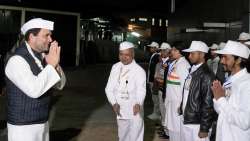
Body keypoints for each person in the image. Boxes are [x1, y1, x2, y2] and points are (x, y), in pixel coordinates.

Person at [5, 18, 66, 141]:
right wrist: (51, 66)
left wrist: (55, 65)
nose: (50, 39)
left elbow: (60, 85)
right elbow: (34, 90)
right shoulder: (16, 60)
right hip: (23, 128)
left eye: (50, 35)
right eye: (46, 35)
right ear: (32, 37)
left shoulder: (42, 57)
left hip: (42, 122)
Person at [105, 41, 146, 141]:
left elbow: (141, 89)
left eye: (127, 55)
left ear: (133, 54)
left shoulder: (139, 70)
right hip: (120, 108)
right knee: (122, 135)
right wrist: (114, 103)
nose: (124, 57)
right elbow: (109, 88)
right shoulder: (115, 67)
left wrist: (138, 103)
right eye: (121, 54)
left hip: (134, 108)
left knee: (135, 136)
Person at [211, 40, 250, 141]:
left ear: (239, 60)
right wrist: (217, 97)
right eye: (222, 57)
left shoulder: (247, 84)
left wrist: (221, 99)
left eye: (226, 58)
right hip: (224, 135)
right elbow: (220, 111)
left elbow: (244, 122)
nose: (221, 61)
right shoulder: (230, 79)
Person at [179, 41, 215, 141]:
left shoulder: (207, 75)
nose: (189, 56)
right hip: (188, 119)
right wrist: (182, 107)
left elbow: (208, 104)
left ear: (202, 54)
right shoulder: (193, 70)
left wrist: (204, 128)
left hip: (197, 124)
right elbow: (188, 93)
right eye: (189, 53)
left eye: (192, 53)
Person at [165, 41, 190, 141]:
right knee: (172, 130)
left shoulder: (184, 65)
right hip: (171, 102)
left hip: (178, 104)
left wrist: (182, 105)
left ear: (180, 52)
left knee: (177, 131)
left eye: (174, 49)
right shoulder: (175, 63)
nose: (172, 51)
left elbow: (185, 88)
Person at [154, 42, 171, 139]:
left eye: (163, 51)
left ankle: (168, 132)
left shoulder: (170, 64)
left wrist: (160, 79)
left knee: (167, 112)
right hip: (161, 90)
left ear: (167, 51)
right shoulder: (160, 63)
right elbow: (157, 77)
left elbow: (165, 79)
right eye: (161, 51)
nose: (161, 52)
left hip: (167, 92)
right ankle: (165, 129)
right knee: (162, 111)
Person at [146, 41, 161, 120]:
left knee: (156, 98)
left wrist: (153, 81)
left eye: (152, 47)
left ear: (156, 48)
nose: (150, 48)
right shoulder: (154, 56)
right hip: (152, 80)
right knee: (154, 97)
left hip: (154, 81)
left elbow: (157, 70)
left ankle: (157, 113)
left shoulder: (157, 56)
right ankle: (157, 113)